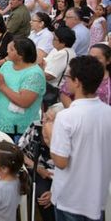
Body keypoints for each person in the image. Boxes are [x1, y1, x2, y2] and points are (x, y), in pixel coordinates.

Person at [50, 55, 111, 221]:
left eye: (68, 77)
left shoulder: (66, 117)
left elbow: (61, 162)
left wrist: (49, 133)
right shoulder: (107, 113)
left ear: (77, 82)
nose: (66, 81)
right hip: (97, 196)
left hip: (70, 198)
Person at [0, 37, 46, 141]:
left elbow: (24, 102)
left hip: (17, 129)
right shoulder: (7, 65)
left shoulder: (34, 74)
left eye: (11, 50)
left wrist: (2, 85)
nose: (7, 51)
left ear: (21, 55)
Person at [18, 104, 64, 221]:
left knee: (57, 197)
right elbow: (18, 151)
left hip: (59, 175)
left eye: (48, 119)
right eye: (44, 116)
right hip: (36, 170)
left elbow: (66, 169)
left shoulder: (65, 135)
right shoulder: (35, 126)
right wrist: (37, 168)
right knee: (42, 195)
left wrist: (54, 192)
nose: (43, 120)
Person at [60, 43, 111, 107]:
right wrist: (75, 111)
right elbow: (65, 94)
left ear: (108, 60)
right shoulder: (80, 73)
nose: (92, 61)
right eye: (90, 57)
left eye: (97, 58)